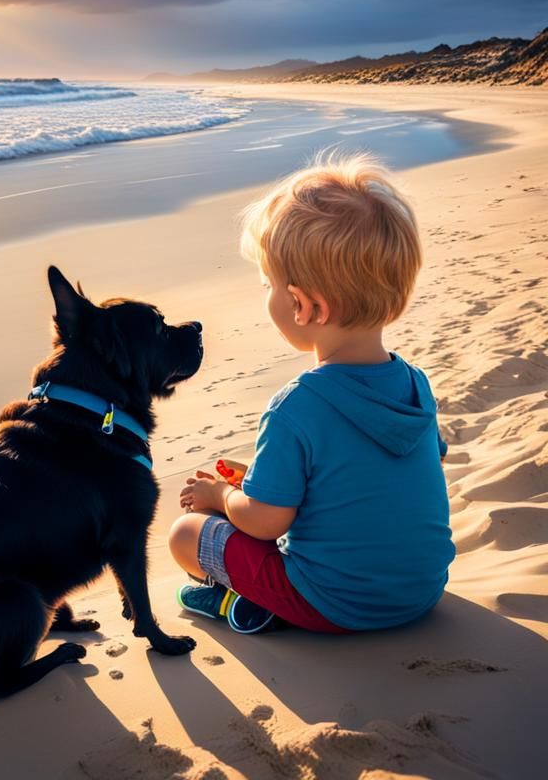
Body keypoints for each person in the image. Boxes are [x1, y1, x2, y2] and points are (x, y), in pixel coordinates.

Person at [168, 153, 455, 634]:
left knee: (186, 533)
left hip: (333, 604)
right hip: (422, 590)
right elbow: (393, 472)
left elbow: (266, 523)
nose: (267, 294)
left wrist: (220, 495)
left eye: (268, 285)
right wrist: (267, 481)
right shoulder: (415, 383)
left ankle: (245, 603)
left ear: (303, 306)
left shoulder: (297, 405)